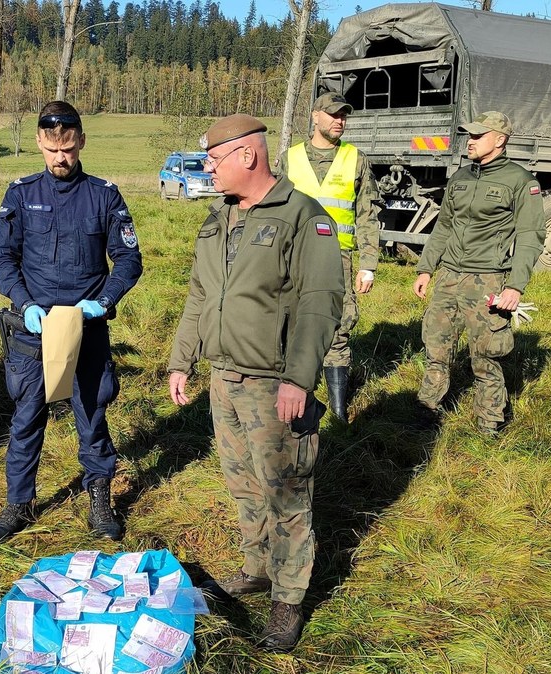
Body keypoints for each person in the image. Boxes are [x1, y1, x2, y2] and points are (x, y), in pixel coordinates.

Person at [167, 114, 343, 652]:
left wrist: (300, 378)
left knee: (286, 492)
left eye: (215, 160)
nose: (209, 170)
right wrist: (181, 360)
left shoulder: (302, 217)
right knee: (243, 484)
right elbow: (201, 295)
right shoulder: (217, 220)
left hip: (276, 385)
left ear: (247, 156)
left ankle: (288, 601)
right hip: (225, 379)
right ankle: (257, 568)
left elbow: (320, 303)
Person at [0, 101, 143, 543]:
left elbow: (129, 258)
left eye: (69, 149)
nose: (61, 158)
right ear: (39, 143)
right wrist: (23, 301)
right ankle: (18, 503)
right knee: (26, 417)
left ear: (81, 143)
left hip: (85, 329)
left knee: (91, 416)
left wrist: (105, 301)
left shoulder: (105, 195)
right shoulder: (21, 194)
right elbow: (2, 257)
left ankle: (99, 500)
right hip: (33, 331)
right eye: (53, 150)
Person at [412, 111, 545, 435]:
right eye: (468, 135)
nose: (469, 141)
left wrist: (515, 287)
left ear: (499, 140)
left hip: (486, 280)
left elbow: (531, 236)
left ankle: (489, 423)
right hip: (449, 277)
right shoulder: (460, 178)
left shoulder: (520, 181)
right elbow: (444, 226)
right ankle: (427, 411)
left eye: (477, 136)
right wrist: (426, 268)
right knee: (436, 347)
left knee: (486, 355)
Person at [280, 92, 380, 422]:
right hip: (294, 256)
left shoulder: (356, 159)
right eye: (334, 114)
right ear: (315, 117)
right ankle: (295, 399)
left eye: (344, 116)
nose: (340, 121)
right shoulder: (290, 158)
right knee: (290, 324)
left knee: (340, 324)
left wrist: (368, 264)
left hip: (339, 257)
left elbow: (368, 215)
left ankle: (338, 414)